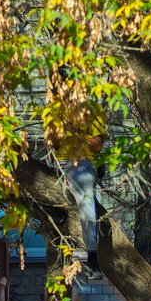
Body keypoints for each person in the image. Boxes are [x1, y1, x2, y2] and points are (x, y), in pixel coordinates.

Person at [59, 101, 106, 279]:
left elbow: (96, 145)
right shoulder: (56, 108)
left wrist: (75, 131)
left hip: (81, 162)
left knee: (86, 204)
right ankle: (71, 252)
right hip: (57, 163)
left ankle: (92, 258)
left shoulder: (92, 108)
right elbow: (52, 142)